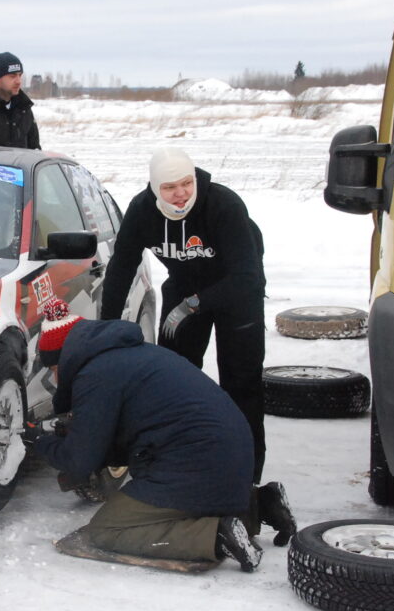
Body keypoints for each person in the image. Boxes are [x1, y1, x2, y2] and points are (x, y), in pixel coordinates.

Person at [28, 298, 265, 571]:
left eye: (54, 370)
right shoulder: (132, 356)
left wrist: (40, 443)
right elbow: (129, 435)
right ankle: (261, 506)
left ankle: (216, 537)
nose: (56, 379)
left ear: (65, 358)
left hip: (199, 466)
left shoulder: (95, 375)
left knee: (107, 530)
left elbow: (80, 461)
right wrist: (78, 431)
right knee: (180, 493)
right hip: (232, 458)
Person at [101, 147, 270, 488]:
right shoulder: (142, 210)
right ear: (155, 188)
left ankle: (246, 477)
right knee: (173, 378)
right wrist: (107, 325)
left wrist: (192, 305)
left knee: (241, 384)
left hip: (238, 292)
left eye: (186, 184)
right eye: (169, 187)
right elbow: (121, 267)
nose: (180, 194)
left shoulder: (223, 204)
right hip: (185, 286)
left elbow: (247, 276)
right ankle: (177, 457)